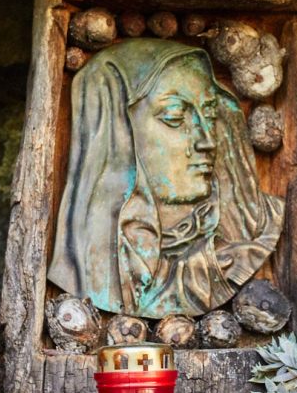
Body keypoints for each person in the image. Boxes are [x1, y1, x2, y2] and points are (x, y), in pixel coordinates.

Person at [48, 38, 284, 318]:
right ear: (117, 133)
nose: (207, 141)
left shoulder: (259, 229)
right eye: (175, 117)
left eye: (210, 116)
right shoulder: (83, 266)